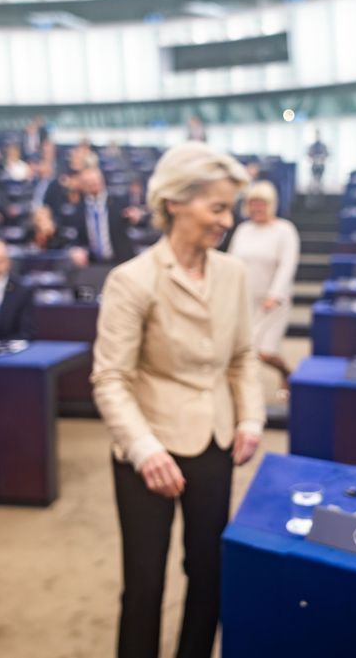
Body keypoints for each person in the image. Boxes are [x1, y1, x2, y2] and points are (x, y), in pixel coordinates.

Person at [92, 141, 263, 658]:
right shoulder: (131, 280)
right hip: (148, 453)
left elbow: (243, 356)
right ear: (173, 203)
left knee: (208, 572)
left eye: (229, 208)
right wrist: (146, 451)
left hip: (215, 443)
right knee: (144, 584)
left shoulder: (233, 274)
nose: (226, 221)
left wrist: (251, 417)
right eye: (216, 208)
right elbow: (110, 379)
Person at [228, 181, 300, 393]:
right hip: (245, 298)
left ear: (271, 205)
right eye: (252, 204)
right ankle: (246, 392)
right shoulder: (243, 230)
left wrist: (275, 294)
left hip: (273, 301)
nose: (256, 208)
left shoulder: (285, 230)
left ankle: (287, 373)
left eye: (261, 204)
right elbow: (231, 262)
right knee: (246, 350)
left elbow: (288, 264)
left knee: (265, 352)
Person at [74, 166, 134, 264]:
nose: (93, 183)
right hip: (93, 264)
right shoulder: (79, 208)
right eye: (89, 181)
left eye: (96, 180)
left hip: (120, 261)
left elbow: (135, 218)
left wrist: (135, 218)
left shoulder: (118, 202)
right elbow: (78, 238)